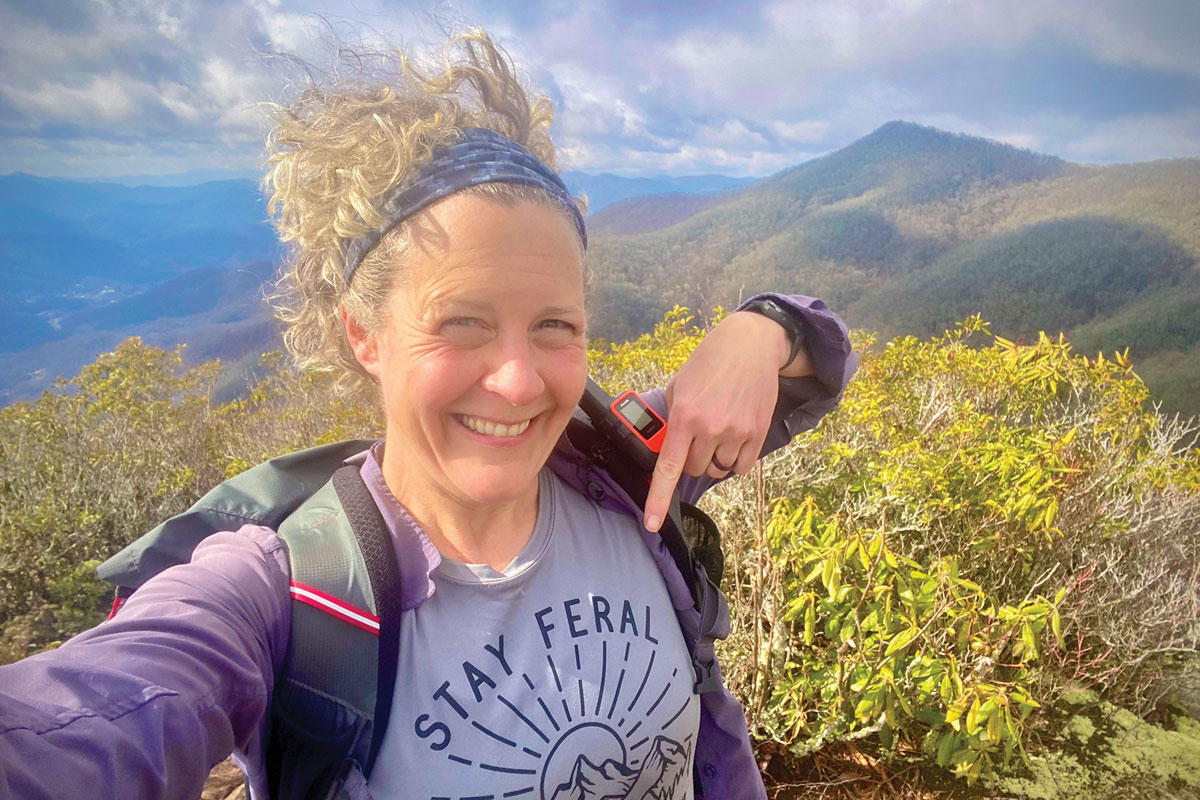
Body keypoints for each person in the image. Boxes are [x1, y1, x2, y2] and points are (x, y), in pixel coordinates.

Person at [0, 30, 856, 800]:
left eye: (555, 326)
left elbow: (817, 370)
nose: (520, 384)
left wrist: (764, 327)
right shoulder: (279, 595)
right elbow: (93, 713)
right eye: (462, 324)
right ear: (364, 334)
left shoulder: (628, 474)